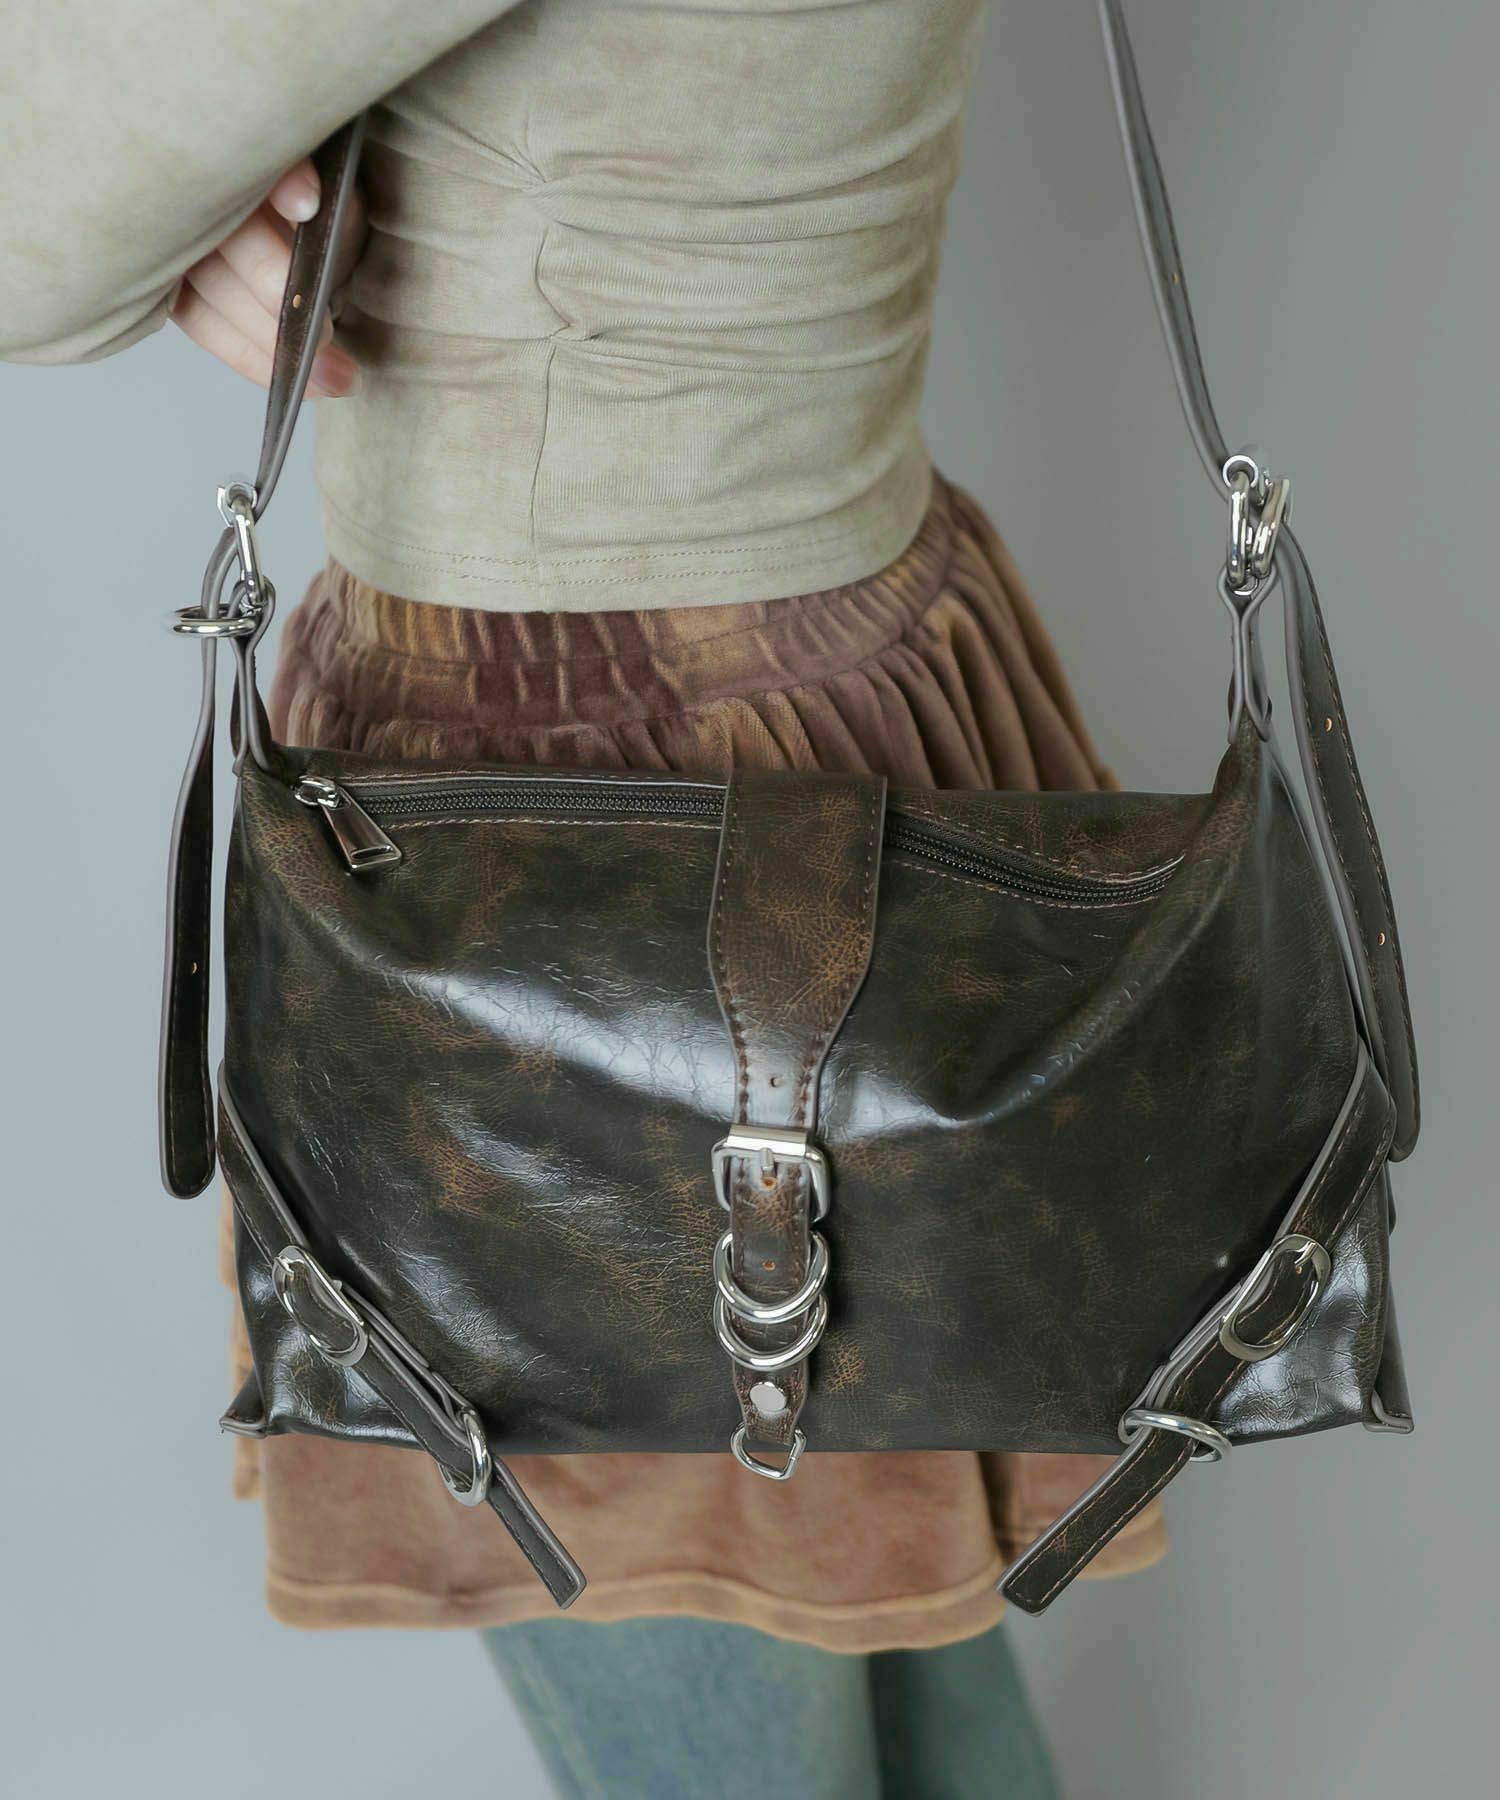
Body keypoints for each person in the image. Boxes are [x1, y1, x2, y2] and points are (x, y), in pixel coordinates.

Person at [1, 3, 1166, 1792]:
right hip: (872, 717)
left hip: (566, 868)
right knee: (904, 1659)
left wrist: (197, 208)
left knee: (726, 1736)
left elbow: (28, 207)